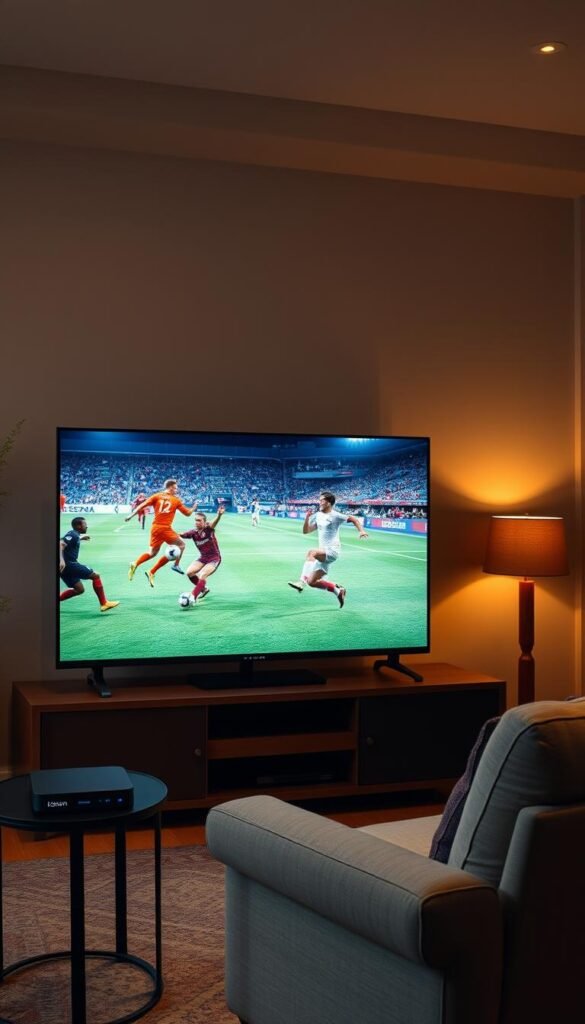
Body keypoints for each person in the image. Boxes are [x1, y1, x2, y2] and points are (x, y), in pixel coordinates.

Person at [288, 491, 367, 607]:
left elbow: (354, 519)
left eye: (322, 500)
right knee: (312, 582)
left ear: (329, 503)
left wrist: (361, 531)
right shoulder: (319, 515)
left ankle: (301, 582)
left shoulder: (335, 515)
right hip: (323, 553)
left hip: (332, 551)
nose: (319, 502)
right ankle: (338, 590)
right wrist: (307, 519)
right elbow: (306, 531)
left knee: (311, 552)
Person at [126, 479, 197, 586]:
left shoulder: (157, 496)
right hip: (165, 529)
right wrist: (193, 508)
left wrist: (131, 515)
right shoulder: (175, 500)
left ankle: (136, 564)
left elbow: (142, 506)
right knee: (181, 545)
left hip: (155, 528)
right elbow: (187, 513)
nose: (177, 490)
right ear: (171, 487)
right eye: (176, 488)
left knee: (152, 553)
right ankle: (176, 565)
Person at [59, 517, 119, 612]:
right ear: (78, 526)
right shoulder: (73, 534)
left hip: (65, 568)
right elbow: (61, 544)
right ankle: (104, 603)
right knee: (95, 575)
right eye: (84, 524)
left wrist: (82, 538)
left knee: (79, 589)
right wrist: (61, 560)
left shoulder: (75, 535)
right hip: (69, 564)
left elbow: (73, 539)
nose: (87, 526)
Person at [180, 507, 225, 603]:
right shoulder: (193, 533)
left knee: (202, 575)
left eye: (199, 521)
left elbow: (214, 523)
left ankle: (193, 597)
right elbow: (180, 535)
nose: (197, 522)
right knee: (189, 572)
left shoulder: (208, 529)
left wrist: (219, 515)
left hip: (214, 558)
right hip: (203, 558)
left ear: (205, 522)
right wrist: (167, 532)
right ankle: (204, 589)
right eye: (196, 520)